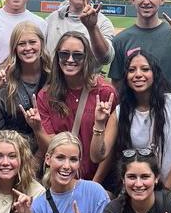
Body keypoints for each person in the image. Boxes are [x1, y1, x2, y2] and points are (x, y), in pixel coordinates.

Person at [93, 48, 171, 194]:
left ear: (155, 74)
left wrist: (163, 193)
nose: (138, 74)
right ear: (126, 76)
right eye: (132, 70)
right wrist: (99, 124)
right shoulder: (120, 113)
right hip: (138, 188)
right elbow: (98, 156)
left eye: (145, 69)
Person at [32, 31, 116, 181]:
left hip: (97, 181)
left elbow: (109, 150)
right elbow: (52, 147)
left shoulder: (105, 93)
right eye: (64, 54)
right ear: (57, 57)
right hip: (62, 179)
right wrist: (37, 129)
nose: (70, 60)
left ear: (87, 58)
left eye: (77, 55)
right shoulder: (46, 96)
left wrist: (93, 185)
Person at [0, 20, 50, 148]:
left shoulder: (53, 75)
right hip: (5, 147)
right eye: (21, 44)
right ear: (14, 48)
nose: (27, 48)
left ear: (42, 43)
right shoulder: (2, 74)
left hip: (42, 149)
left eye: (32, 42)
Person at [43, 0, 116, 66]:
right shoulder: (51, 20)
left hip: (87, 81)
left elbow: (106, 58)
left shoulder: (103, 22)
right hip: (53, 81)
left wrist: (92, 28)